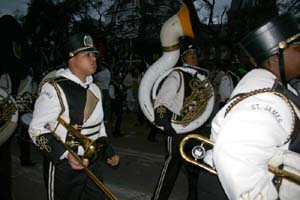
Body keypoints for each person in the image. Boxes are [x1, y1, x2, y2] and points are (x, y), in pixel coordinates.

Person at [198, 12, 300, 199]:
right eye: (298, 48)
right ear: (276, 58)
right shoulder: (266, 99)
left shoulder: (274, 89)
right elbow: (236, 154)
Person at [28, 33, 120, 200]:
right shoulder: (54, 88)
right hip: (64, 165)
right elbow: (36, 129)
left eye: (94, 54)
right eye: (87, 54)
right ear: (72, 58)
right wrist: (65, 154)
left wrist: (108, 151)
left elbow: (99, 126)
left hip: (93, 160)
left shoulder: (95, 89)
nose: (94, 59)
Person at [151, 42, 209, 200]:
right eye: (190, 55)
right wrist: (164, 122)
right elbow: (161, 101)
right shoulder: (177, 75)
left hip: (194, 129)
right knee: (171, 167)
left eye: (195, 55)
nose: (194, 58)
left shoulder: (199, 78)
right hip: (177, 127)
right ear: (183, 58)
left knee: (195, 168)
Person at [109, 72, 126, 137]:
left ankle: (117, 130)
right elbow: (111, 95)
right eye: (118, 77)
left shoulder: (119, 85)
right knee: (116, 117)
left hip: (119, 103)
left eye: (120, 78)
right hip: (115, 103)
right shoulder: (112, 85)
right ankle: (115, 131)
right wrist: (118, 96)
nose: (120, 79)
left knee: (119, 117)